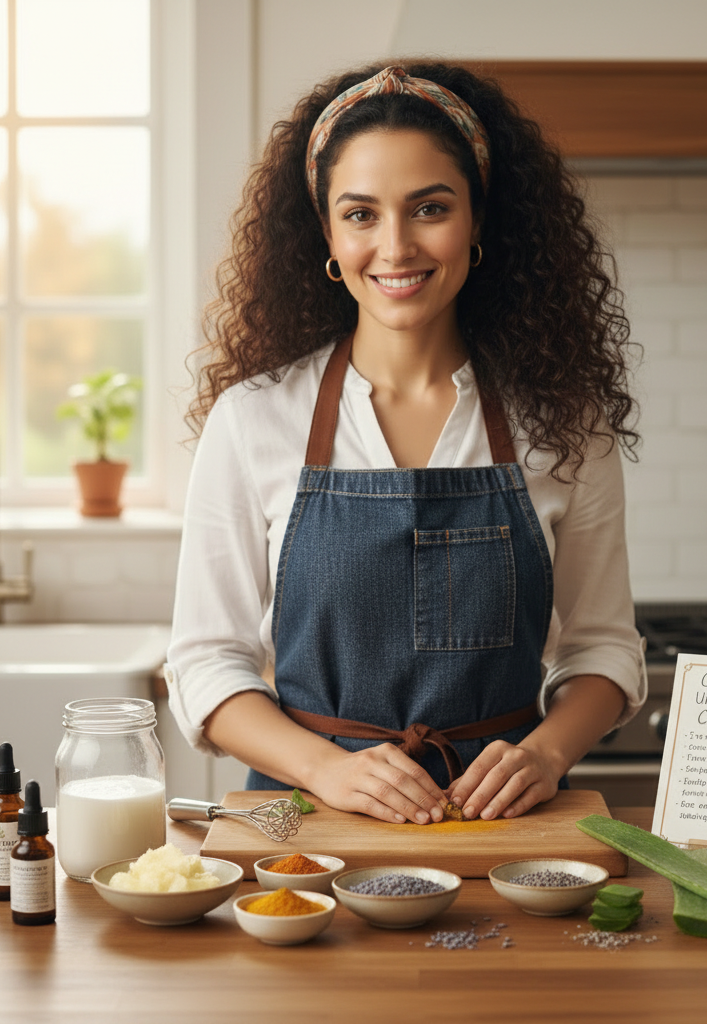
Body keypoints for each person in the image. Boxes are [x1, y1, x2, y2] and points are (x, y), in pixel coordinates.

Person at [166, 61, 647, 826]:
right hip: (306, 831)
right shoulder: (252, 419)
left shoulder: (564, 422)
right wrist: (326, 768)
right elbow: (204, 664)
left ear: (479, 221)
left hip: (503, 829)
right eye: (360, 214)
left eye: (429, 208)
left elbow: (603, 651)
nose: (395, 247)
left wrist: (547, 754)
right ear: (324, 231)